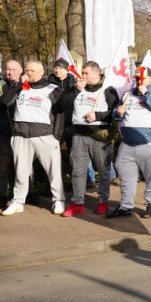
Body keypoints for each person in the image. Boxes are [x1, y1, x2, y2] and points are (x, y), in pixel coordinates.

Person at [0, 60, 66, 216]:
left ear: (41, 72)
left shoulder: (52, 89)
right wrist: (18, 86)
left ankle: (59, 200)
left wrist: (56, 136)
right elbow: (6, 103)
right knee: (21, 172)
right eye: (27, 70)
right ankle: (18, 202)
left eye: (32, 71)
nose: (28, 73)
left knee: (54, 171)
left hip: (45, 135)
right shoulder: (20, 87)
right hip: (21, 136)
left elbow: (60, 114)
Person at [108, 66, 151, 219]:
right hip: (127, 143)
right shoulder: (128, 94)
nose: (139, 80)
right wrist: (118, 113)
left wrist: (146, 94)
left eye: (142, 78)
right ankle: (125, 205)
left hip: (150, 143)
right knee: (125, 175)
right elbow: (117, 113)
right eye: (136, 78)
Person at [59, 61, 119, 216]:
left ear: (97, 73)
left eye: (86, 73)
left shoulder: (108, 90)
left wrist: (97, 116)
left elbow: (116, 113)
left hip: (99, 136)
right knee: (77, 171)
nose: (82, 76)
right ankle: (78, 203)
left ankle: (103, 201)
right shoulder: (77, 87)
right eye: (82, 73)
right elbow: (62, 104)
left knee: (103, 170)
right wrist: (75, 90)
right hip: (79, 135)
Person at [0, 59, 22, 207]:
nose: (10, 72)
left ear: (20, 71)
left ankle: (27, 193)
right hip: (3, 132)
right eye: (8, 69)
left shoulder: (26, 86)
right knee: (2, 165)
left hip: (21, 132)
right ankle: (2, 195)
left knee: (23, 165)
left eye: (14, 69)